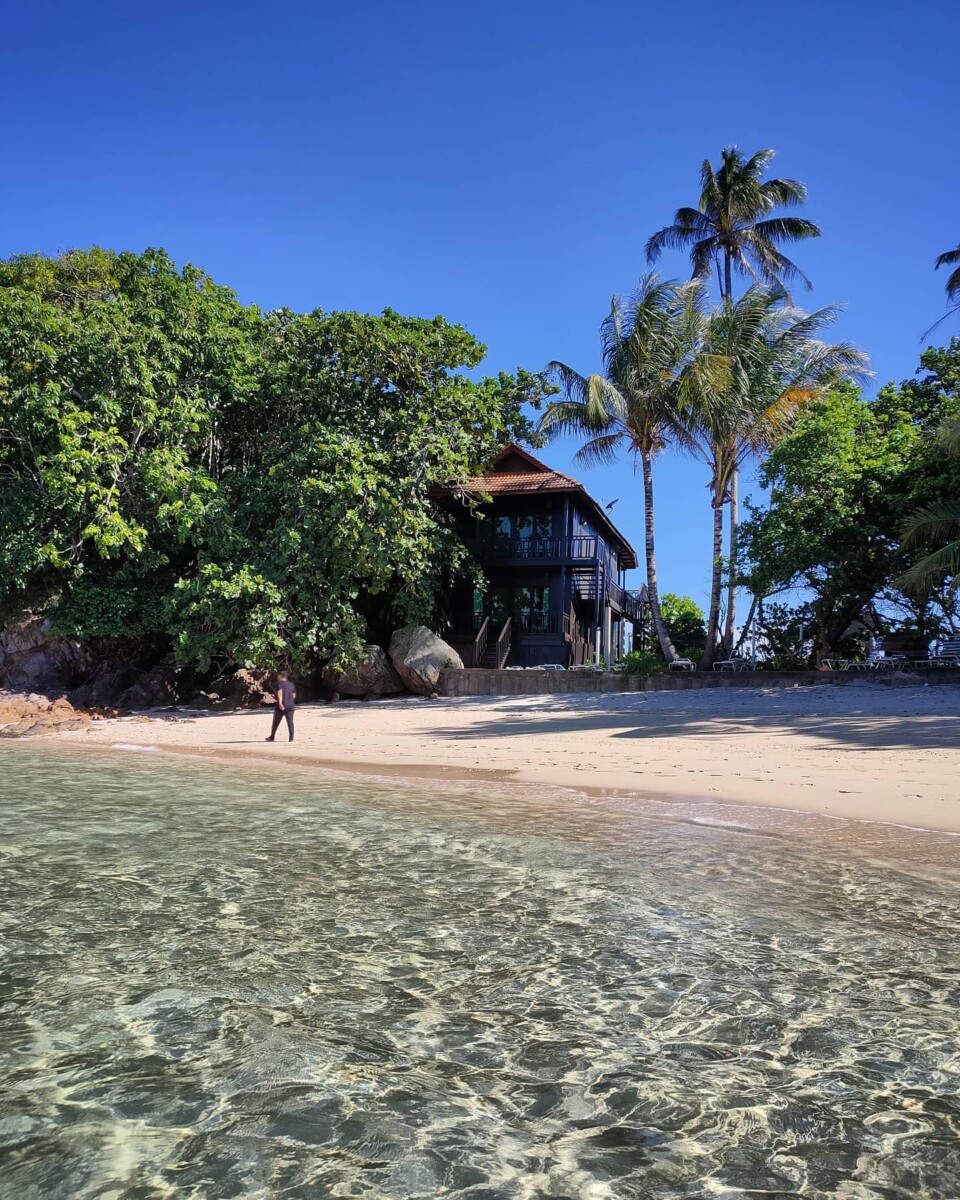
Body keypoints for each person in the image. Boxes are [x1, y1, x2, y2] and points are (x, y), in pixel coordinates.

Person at [266, 670, 296, 742]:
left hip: (281, 706)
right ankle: (291, 738)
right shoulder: (291, 685)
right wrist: (289, 700)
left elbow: (280, 692)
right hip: (290, 706)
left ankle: (272, 737)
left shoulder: (278, 683)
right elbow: (293, 696)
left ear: (280, 676)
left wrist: (280, 703)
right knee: (290, 722)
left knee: (276, 722)